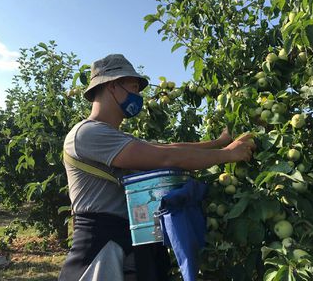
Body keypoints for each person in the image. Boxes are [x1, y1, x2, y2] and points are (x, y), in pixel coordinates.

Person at [58, 54, 255, 281]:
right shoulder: (88, 133)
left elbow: (168, 147)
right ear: (113, 86)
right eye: (133, 87)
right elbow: (166, 158)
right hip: (102, 247)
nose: (138, 95)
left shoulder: (112, 136)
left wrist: (219, 142)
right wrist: (227, 155)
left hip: (126, 240)